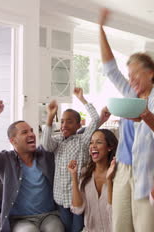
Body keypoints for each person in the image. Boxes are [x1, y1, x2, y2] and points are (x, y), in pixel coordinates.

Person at [99, 8, 154, 232]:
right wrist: (100, 29)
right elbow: (111, 70)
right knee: (120, 227)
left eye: (135, 75)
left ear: (150, 73)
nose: (130, 80)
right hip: (123, 169)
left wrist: (145, 115)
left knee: (146, 228)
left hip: (148, 172)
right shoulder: (130, 95)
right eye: (129, 76)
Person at [0, 100, 63, 232]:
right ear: (13, 140)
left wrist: (50, 117)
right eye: (24, 132)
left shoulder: (45, 154)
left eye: (31, 131)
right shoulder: (5, 161)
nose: (31, 134)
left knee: (55, 230)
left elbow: (66, 138)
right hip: (21, 219)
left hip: (49, 216)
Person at [41, 87, 109, 232]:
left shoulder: (83, 140)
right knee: (66, 228)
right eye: (63, 122)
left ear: (78, 125)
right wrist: (50, 117)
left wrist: (81, 98)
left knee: (77, 229)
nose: (65, 125)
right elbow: (46, 145)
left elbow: (96, 119)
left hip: (78, 197)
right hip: (60, 197)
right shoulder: (57, 141)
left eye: (70, 122)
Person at [68, 129, 118, 232]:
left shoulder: (117, 175)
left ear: (110, 147)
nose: (93, 146)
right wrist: (74, 176)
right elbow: (77, 209)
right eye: (91, 142)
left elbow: (114, 215)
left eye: (98, 142)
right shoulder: (85, 173)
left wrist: (109, 180)